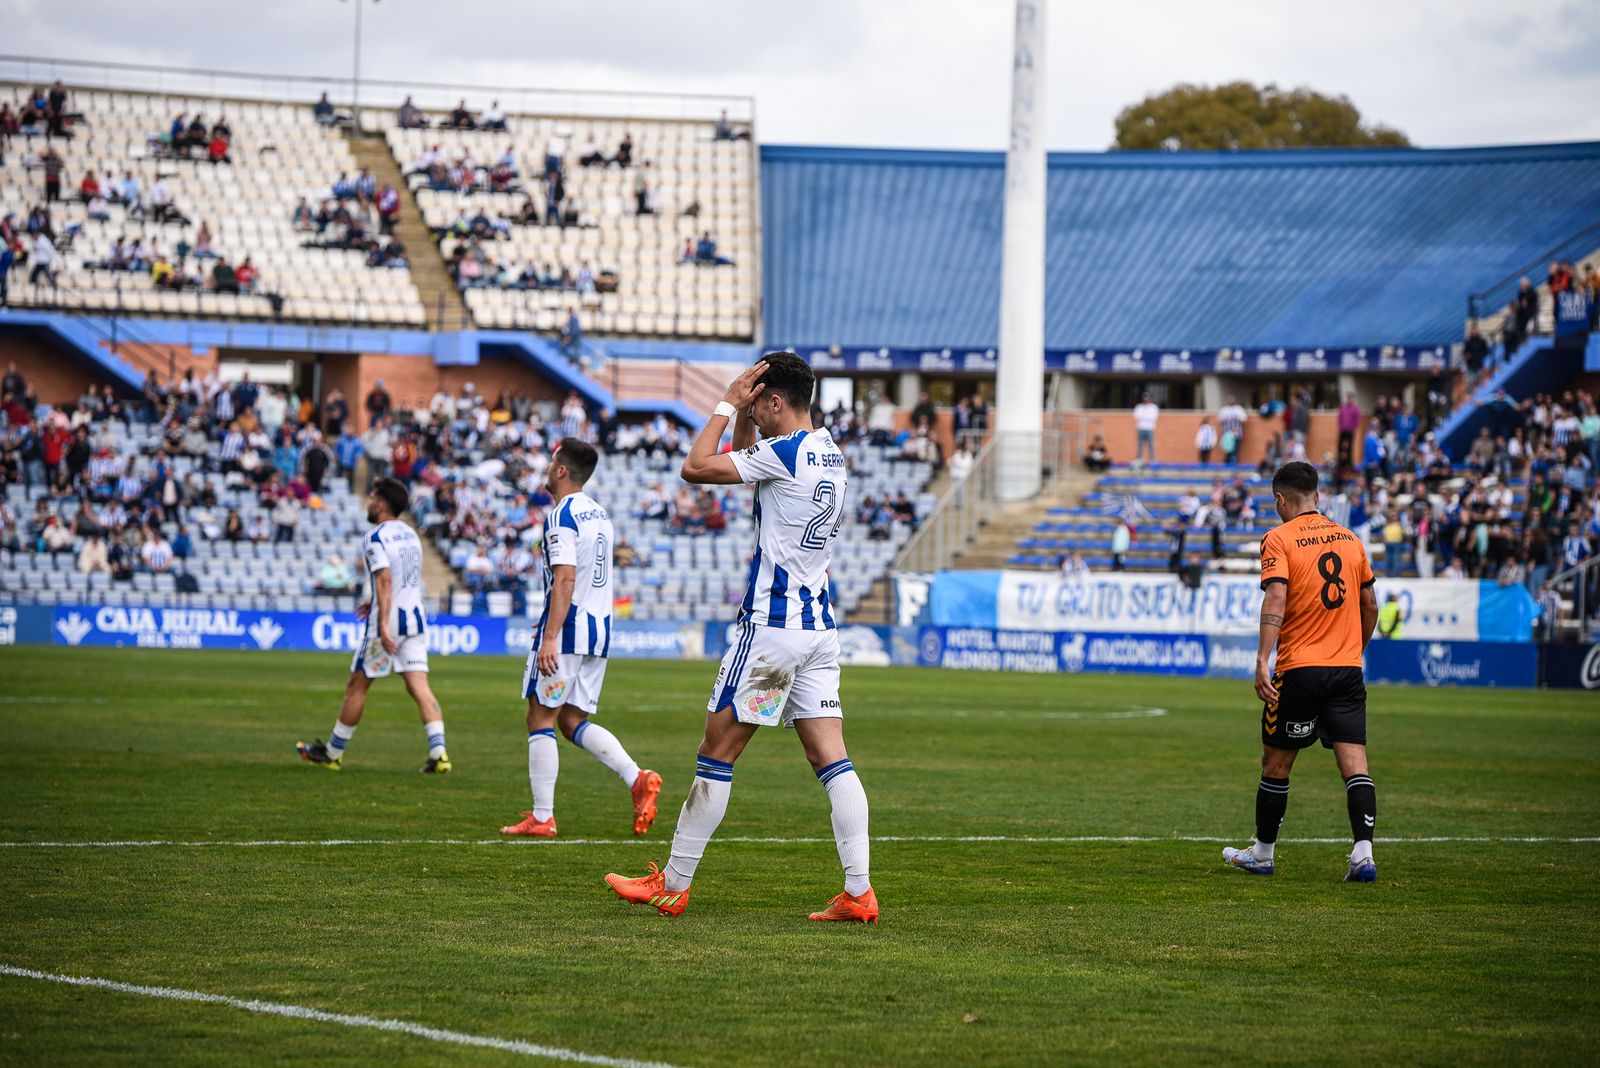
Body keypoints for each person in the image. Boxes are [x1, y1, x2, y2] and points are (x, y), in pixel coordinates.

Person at [605, 353, 876, 923]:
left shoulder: (784, 452)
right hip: (819, 630)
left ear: (776, 401)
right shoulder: (828, 452)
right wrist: (747, 416)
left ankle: (672, 885)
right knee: (832, 759)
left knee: (717, 753)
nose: (752, 409)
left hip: (773, 631)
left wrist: (728, 402)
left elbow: (696, 466)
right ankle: (858, 891)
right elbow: (749, 458)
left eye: (759, 403)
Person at [1224, 461, 1381, 883]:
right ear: (1318, 496)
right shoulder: (1351, 540)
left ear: (1280, 499)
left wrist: (1262, 658)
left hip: (1299, 668)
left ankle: (1262, 853)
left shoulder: (1279, 538)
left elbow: (1276, 597)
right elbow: (1370, 607)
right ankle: (1363, 855)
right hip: (1346, 669)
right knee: (1355, 763)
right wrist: (1352, 650)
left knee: (1276, 764)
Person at [501, 438, 662, 839]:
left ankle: (542, 818)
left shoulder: (562, 515)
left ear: (560, 471)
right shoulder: (599, 514)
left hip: (570, 629)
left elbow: (565, 577)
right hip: (599, 629)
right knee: (571, 720)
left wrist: (550, 637)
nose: (546, 468)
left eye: (551, 462)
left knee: (540, 716)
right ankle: (636, 778)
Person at [296, 478, 452, 773]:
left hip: (389, 620)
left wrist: (381, 622)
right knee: (419, 686)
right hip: (415, 616)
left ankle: (333, 753)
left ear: (380, 504)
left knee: (357, 685)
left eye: (371, 497)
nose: (368, 501)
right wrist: (376, 602)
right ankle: (439, 753)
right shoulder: (410, 534)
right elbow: (405, 578)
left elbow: (385, 579)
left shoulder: (375, 537)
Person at [1132, 392, 1159, 466]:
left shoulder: (1154, 407)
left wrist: (1143, 417)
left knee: (1151, 445)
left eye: (1147, 399)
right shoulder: (1139, 407)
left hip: (1150, 428)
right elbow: (1136, 417)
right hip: (1141, 428)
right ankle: (1138, 459)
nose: (1146, 401)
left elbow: (1153, 417)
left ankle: (1152, 460)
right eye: (1144, 399)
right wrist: (1145, 418)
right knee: (1139, 445)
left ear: (1150, 399)